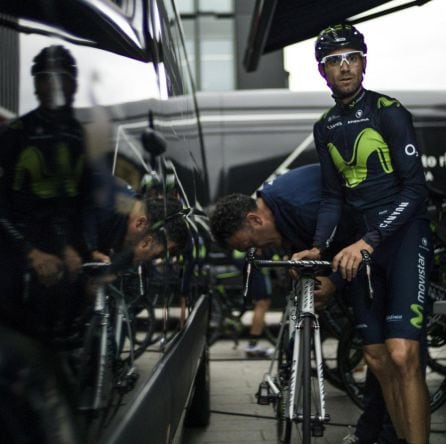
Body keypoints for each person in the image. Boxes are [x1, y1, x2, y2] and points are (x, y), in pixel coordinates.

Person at [293, 24, 433, 444]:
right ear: (322, 72)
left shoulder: (388, 111)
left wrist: (369, 241)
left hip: (403, 240)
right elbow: (332, 198)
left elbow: (415, 191)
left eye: (351, 57)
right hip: (360, 251)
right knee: (375, 358)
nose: (344, 67)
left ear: (364, 62)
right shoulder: (325, 126)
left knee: (402, 353)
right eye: (333, 61)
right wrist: (318, 246)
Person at [0, 45, 89, 341]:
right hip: (18, 253)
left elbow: (81, 203)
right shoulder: (16, 133)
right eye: (45, 78)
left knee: (69, 337)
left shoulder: (78, 134)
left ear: (73, 84)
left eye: (61, 78)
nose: (53, 86)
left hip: (66, 256)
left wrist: (84, 248)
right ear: (36, 84)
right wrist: (30, 252)